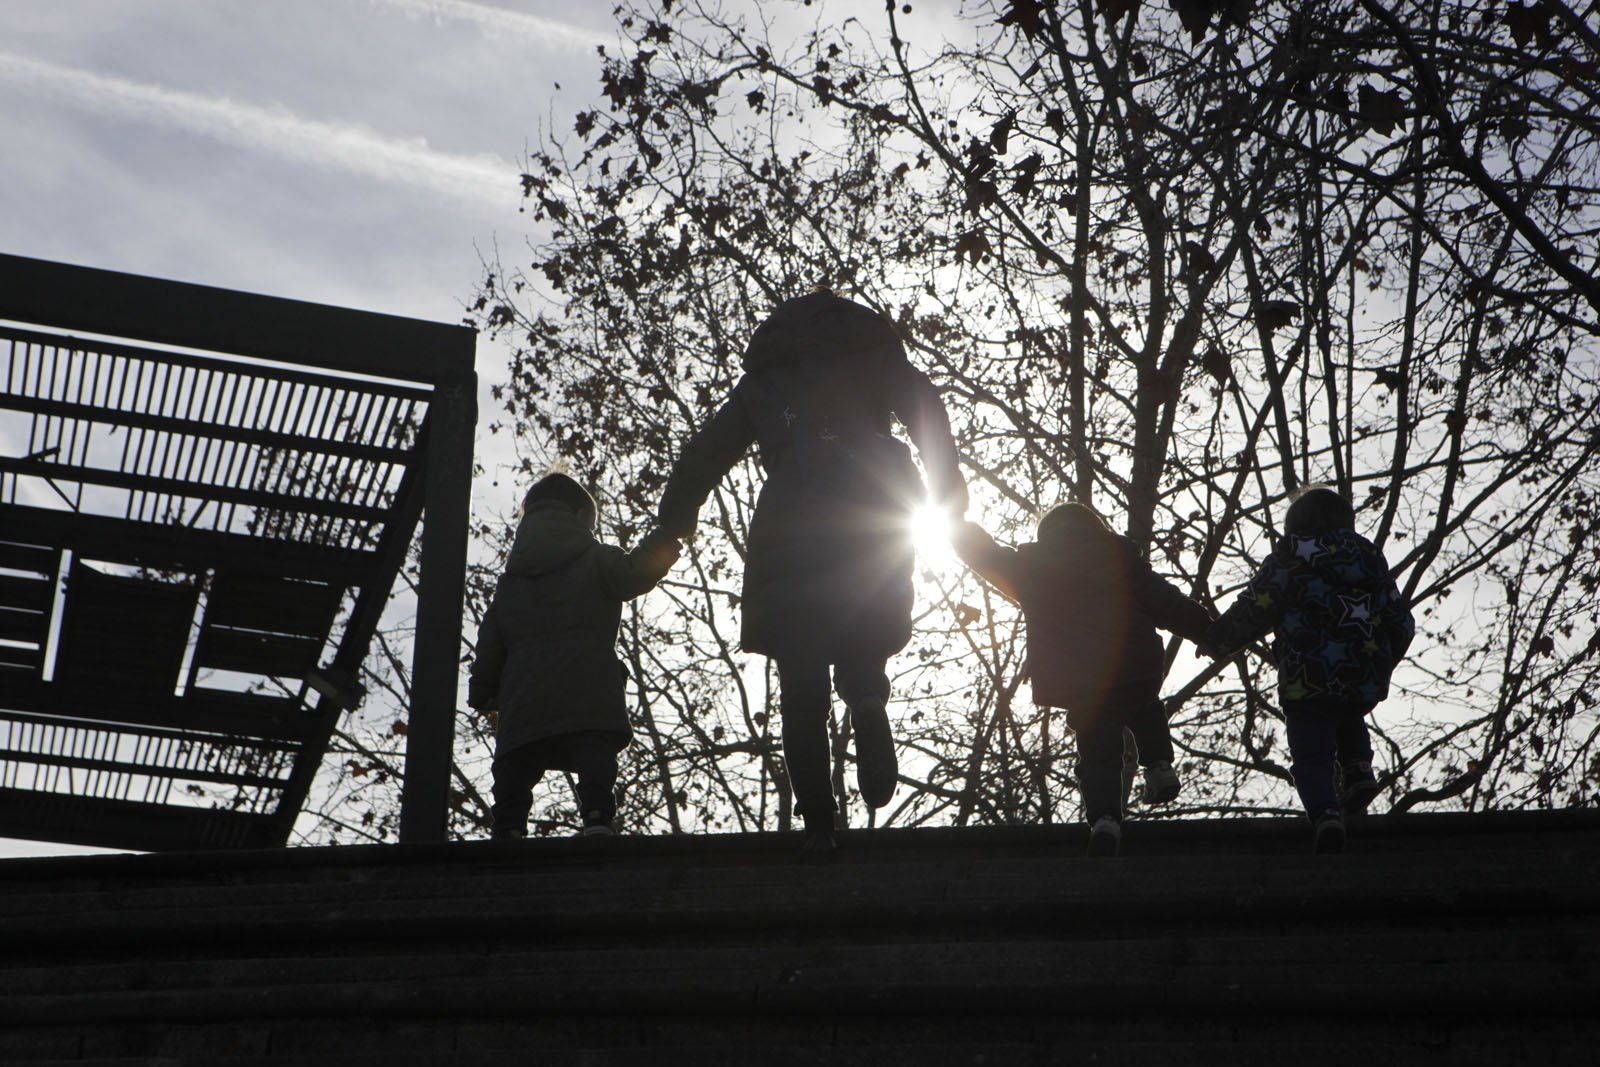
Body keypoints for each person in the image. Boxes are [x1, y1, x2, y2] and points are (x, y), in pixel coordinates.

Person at [655, 290, 966, 860]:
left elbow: (704, 453)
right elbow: (925, 404)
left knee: (801, 688)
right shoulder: (874, 358)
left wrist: (671, 528)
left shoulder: (765, 381)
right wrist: (947, 488)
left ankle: (820, 825)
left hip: (790, 527)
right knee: (863, 631)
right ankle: (868, 697)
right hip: (871, 510)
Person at [954, 502, 1214, 856]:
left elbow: (990, 558)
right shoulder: (1124, 562)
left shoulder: (1033, 570)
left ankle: (1105, 818)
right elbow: (1169, 603)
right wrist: (1210, 632)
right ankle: (1159, 764)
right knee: (1145, 706)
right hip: (1134, 660)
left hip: (1084, 679)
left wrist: (956, 526)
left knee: (1098, 750)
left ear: (1046, 538)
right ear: (1096, 530)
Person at [468, 472, 680, 839]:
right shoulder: (597, 558)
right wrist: (664, 539)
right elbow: (634, 573)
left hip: (524, 697)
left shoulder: (511, 582)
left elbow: (491, 641)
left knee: (515, 766)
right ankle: (597, 818)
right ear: (582, 516)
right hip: (588, 688)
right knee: (593, 752)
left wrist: (483, 689)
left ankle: (508, 827)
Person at [1206, 485, 1415, 854]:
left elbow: (1256, 606)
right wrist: (1382, 660)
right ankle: (1358, 770)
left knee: (1311, 750)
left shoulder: (1289, 558)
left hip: (1308, 672)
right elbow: (1400, 621)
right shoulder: (1370, 559)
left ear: (1295, 525)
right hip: (1358, 669)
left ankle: (1324, 813)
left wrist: (1218, 639)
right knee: (1349, 714)